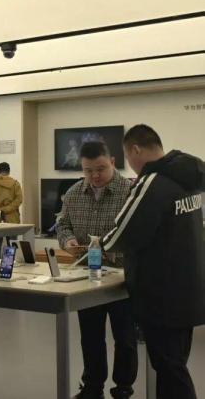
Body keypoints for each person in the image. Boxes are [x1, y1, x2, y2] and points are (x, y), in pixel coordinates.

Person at [101, 125, 205, 399]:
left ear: (135, 150)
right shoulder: (189, 177)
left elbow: (123, 233)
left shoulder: (153, 182)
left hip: (162, 294)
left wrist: (100, 245)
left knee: (170, 369)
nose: (131, 166)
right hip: (189, 288)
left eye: (128, 157)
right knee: (174, 363)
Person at [56, 141, 137, 399]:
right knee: (90, 336)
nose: (95, 176)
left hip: (122, 278)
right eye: (88, 170)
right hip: (87, 277)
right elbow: (62, 225)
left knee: (125, 338)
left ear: (113, 162)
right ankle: (92, 386)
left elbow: (140, 233)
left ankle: (123, 388)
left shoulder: (131, 192)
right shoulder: (74, 193)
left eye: (100, 169)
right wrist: (68, 240)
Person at [0, 163, 23, 258]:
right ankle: (7, 264)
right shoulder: (15, 183)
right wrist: (7, 209)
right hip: (12, 217)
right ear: (9, 171)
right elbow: (19, 200)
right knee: (11, 244)